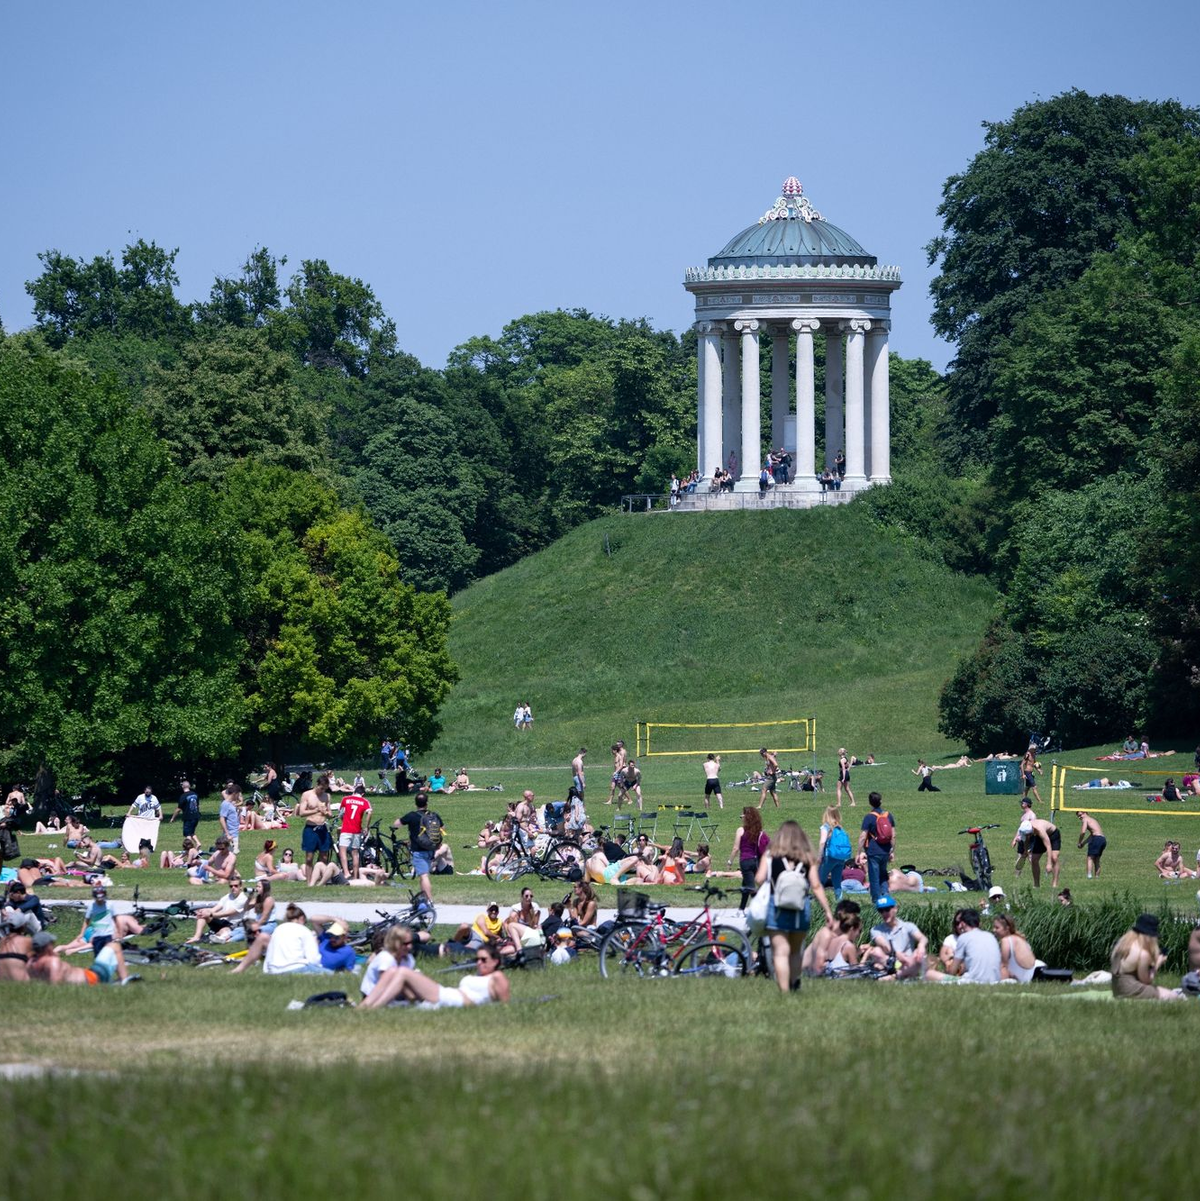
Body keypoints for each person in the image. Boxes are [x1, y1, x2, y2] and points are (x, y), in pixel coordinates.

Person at [753, 820, 832, 994]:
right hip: (800, 907)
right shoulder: (807, 858)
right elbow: (816, 885)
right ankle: (794, 982)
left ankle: (784, 991)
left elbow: (758, 879)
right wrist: (827, 910)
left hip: (777, 906)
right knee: (796, 952)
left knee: (780, 952)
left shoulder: (770, 855)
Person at [361, 941, 511, 1009]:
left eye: (483, 960)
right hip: (448, 997)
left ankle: (369, 1008)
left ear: (495, 961)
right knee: (395, 973)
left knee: (403, 973)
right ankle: (366, 1004)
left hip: (455, 999)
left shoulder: (497, 976)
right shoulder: (480, 975)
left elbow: (505, 1006)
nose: (479, 963)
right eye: (477, 959)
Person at [1111, 914, 1183, 1000]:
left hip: (1117, 989)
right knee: (1173, 996)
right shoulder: (1143, 954)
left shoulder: (1122, 944)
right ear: (1150, 936)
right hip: (1130, 990)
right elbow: (1146, 981)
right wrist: (1157, 964)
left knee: (1164, 991)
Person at [392, 791, 444, 905]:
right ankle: (424, 899)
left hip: (419, 851)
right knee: (422, 875)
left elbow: (397, 824)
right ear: (427, 803)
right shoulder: (433, 815)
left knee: (424, 876)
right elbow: (442, 827)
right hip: (431, 849)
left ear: (416, 803)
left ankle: (429, 900)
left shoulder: (412, 816)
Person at [926, 909, 1001, 983]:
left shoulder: (964, 938)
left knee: (929, 974)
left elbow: (953, 970)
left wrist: (947, 975)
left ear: (963, 924)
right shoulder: (990, 936)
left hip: (973, 981)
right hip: (995, 979)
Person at [864, 896, 927, 979]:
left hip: (907, 961)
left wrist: (921, 946)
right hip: (889, 961)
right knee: (876, 951)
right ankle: (901, 974)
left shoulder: (908, 926)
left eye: (887, 910)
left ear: (895, 909)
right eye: (881, 911)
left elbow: (923, 938)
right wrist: (897, 954)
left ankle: (894, 975)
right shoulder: (876, 930)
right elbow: (884, 946)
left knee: (920, 953)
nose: (884, 913)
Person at [361, 925, 417, 1002]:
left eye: (411, 942)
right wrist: (412, 997)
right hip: (373, 995)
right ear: (395, 943)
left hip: (395, 993)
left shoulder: (408, 958)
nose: (410, 946)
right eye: (405, 944)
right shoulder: (385, 958)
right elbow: (385, 984)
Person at [186, 876, 249, 943]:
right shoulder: (228, 896)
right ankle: (197, 937)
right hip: (223, 921)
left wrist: (210, 914)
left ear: (241, 887)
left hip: (233, 925)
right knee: (203, 914)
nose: (233, 888)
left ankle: (214, 936)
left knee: (223, 932)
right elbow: (215, 909)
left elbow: (228, 913)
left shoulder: (243, 899)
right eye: (231, 886)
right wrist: (204, 911)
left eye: (236, 886)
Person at [858, 792, 895, 904]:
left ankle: (876, 900)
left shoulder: (869, 817)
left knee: (874, 876)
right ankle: (885, 895)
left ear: (870, 803)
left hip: (873, 850)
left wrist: (858, 852)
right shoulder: (888, 815)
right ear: (881, 801)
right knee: (883, 874)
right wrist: (892, 851)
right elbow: (893, 835)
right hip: (885, 850)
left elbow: (863, 836)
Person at [296, 772, 334, 882]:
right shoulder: (307, 795)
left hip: (322, 828)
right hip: (310, 828)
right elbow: (302, 813)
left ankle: (322, 880)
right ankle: (309, 881)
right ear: (317, 784)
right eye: (321, 788)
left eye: (325, 789)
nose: (323, 791)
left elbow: (330, 814)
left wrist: (326, 813)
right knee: (309, 857)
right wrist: (316, 810)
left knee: (324, 856)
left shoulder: (327, 796)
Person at [729, 806, 770, 907]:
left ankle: (761, 908)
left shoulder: (740, 830)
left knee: (750, 887)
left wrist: (730, 861)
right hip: (756, 861)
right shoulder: (758, 831)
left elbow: (735, 848)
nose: (741, 818)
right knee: (746, 885)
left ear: (747, 817)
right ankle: (741, 909)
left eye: (742, 816)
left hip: (745, 861)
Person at [816, 803, 850, 901]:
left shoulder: (826, 827)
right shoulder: (840, 827)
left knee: (820, 880)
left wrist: (819, 856)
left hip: (829, 857)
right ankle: (839, 902)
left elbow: (822, 842)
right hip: (840, 857)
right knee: (837, 882)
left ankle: (820, 902)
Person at [337, 788, 372, 879]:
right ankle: (355, 876)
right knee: (355, 853)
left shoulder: (345, 799)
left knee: (342, 850)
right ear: (363, 794)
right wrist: (366, 826)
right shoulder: (364, 801)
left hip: (346, 829)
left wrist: (343, 821)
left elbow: (341, 813)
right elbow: (369, 812)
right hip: (356, 830)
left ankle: (346, 873)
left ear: (354, 792)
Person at [993, 913, 1037, 983]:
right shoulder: (1020, 938)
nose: (994, 930)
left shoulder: (1006, 941)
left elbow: (1003, 967)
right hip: (1031, 975)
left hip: (1022, 979)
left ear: (1007, 928)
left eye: (997, 927)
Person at [1026, 815, 1062, 888]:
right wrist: (1028, 853)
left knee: (1054, 858)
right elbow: (1026, 841)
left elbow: (1048, 846)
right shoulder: (1025, 827)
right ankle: (1036, 885)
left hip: (1053, 835)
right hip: (1038, 837)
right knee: (1034, 860)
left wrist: (1048, 863)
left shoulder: (1040, 829)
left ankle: (1054, 884)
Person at [1076, 811, 1107, 879]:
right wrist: (1083, 843)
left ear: (1085, 813)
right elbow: (1092, 834)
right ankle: (1097, 877)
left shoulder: (1085, 819)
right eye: (1078, 816)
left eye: (1080, 815)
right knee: (1097, 859)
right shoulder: (1093, 820)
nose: (1079, 817)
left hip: (1096, 839)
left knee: (1090, 858)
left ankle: (1089, 876)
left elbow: (1083, 832)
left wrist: (1079, 842)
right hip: (1102, 839)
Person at [607, 741, 628, 806]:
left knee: (621, 786)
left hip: (620, 771)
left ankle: (629, 799)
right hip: (616, 772)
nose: (611, 752)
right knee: (613, 787)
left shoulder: (621, 754)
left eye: (612, 750)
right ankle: (610, 801)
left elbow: (621, 764)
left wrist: (616, 771)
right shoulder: (617, 755)